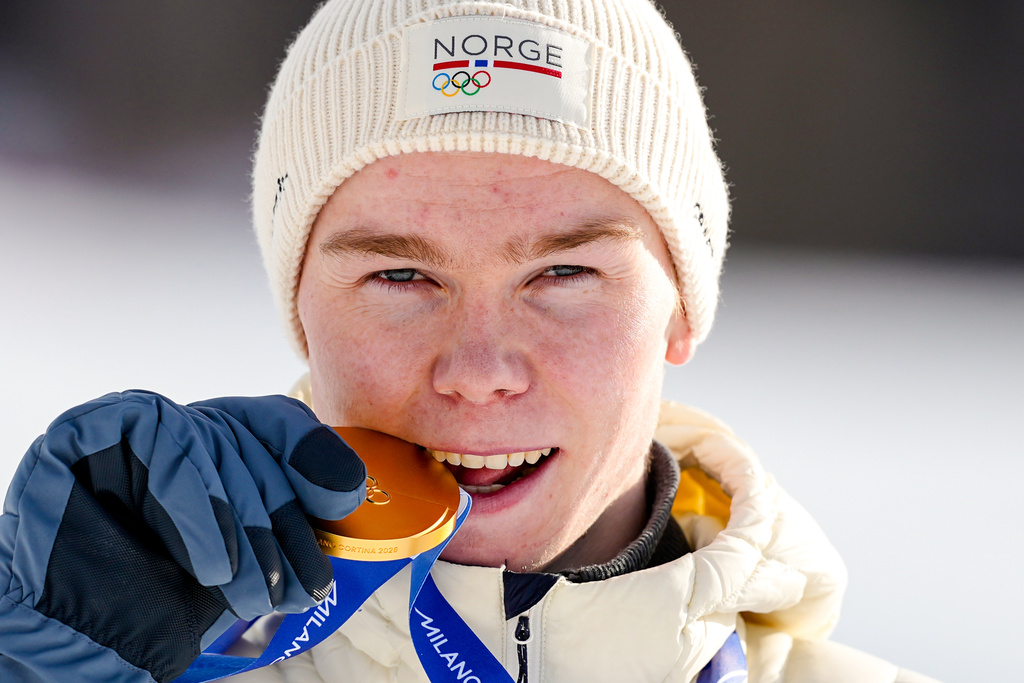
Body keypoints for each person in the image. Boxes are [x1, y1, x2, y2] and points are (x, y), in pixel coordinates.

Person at [0, 1, 939, 681]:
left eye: (564, 276)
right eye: (401, 278)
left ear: (683, 307)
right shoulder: (138, 653)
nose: (480, 371)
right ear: (302, 311)